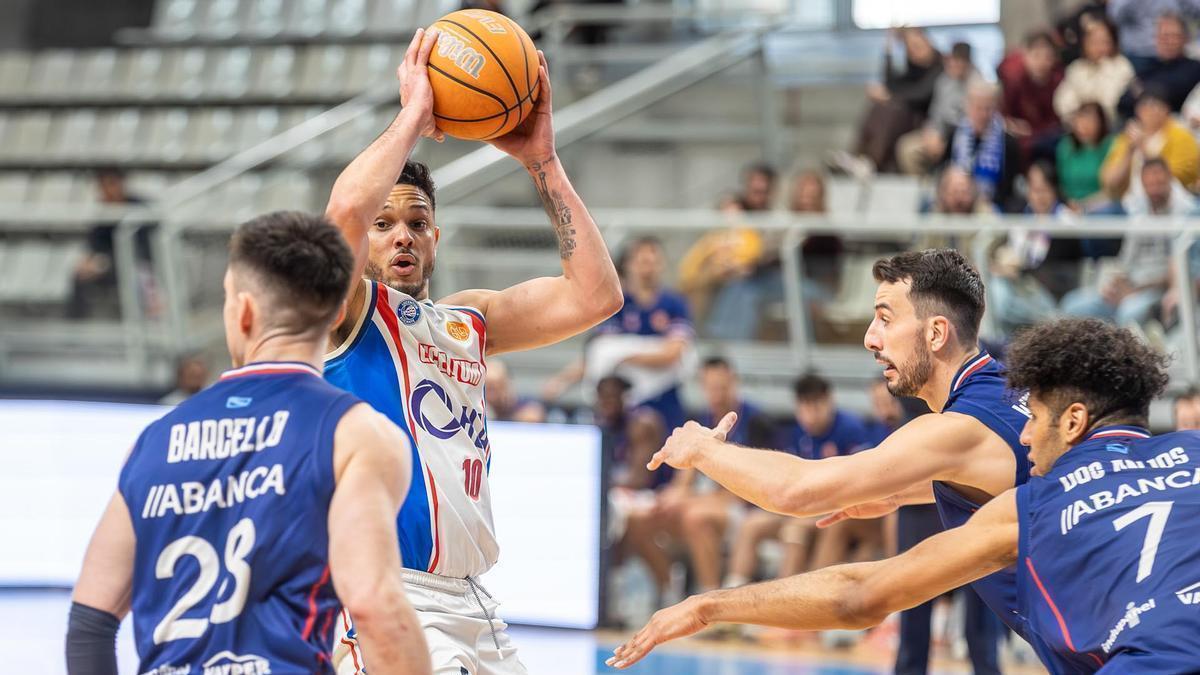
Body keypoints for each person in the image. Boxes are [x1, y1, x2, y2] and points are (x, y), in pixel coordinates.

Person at [610, 318, 1200, 675]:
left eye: (1036, 417)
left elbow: (858, 595)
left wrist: (710, 605)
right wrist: (909, 493)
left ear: (1073, 422)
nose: (1024, 435)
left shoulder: (1032, 505)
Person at [321, 30, 622, 674]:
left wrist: (543, 162)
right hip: (388, 591)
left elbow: (596, 296)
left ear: (436, 237)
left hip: (473, 604)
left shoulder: (469, 320)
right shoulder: (346, 313)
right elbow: (344, 207)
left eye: (417, 223)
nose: (402, 236)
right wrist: (414, 115)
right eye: (384, 224)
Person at [66, 212, 431, 675]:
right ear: (338, 313)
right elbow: (375, 605)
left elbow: (90, 623)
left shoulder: (154, 442)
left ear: (242, 311)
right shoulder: (357, 434)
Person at [626, 250, 1031, 662]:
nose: (871, 338)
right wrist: (902, 493)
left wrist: (703, 450)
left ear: (936, 333)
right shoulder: (1012, 395)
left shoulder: (960, 427)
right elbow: (1008, 477)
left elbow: (795, 492)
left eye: (885, 319)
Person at [723, 374, 875, 590]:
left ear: (829, 402)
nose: (810, 416)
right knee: (751, 524)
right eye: (804, 408)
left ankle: (790, 598)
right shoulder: (798, 433)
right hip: (801, 508)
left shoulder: (850, 430)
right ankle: (731, 594)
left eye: (816, 407)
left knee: (795, 531)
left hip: (834, 510)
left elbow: (861, 482)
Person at [1064, 159, 1189, 326]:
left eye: (1159, 184)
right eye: (1150, 185)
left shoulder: (1185, 213)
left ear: (1169, 180)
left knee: (1129, 311)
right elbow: (1126, 260)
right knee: (1072, 305)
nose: (1155, 190)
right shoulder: (1138, 213)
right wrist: (1116, 285)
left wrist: (1134, 291)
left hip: (1156, 291)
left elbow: (1177, 274)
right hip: (1130, 287)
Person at [832, 27, 943, 175]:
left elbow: (922, 94)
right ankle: (859, 157)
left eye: (918, 46)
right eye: (910, 48)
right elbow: (892, 84)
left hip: (926, 122)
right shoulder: (914, 69)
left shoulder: (940, 66)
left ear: (928, 41)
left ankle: (872, 162)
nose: (915, 52)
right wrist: (888, 51)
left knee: (893, 107)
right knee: (879, 106)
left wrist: (890, 97)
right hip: (908, 118)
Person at [897, 42, 984, 177]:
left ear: (967, 63)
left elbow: (973, 122)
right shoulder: (944, 81)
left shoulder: (978, 86)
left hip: (963, 137)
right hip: (939, 133)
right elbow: (935, 114)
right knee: (906, 147)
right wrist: (931, 134)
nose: (953, 65)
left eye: (959, 61)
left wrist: (944, 140)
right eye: (952, 61)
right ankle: (926, 186)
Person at [1104, 85, 1200, 200]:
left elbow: (1178, 179)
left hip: (1174, 201)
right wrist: (1129, 152)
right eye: (1144, 105)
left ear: (1167, 109)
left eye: (1155, 105)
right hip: (1131, 201)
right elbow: (1110, 181)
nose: (1149, 111)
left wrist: (1143, 148)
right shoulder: (1127, 138)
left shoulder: (1182, 136)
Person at [947, 80, 1023, 210]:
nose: (983, 114)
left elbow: (1010, 188)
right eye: (978, 108)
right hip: (957, 206)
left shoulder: (1008, 143)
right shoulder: (954, 136)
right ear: (968, 107)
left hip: (993, 206)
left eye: (988, 108)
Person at [998, 31, 1064, 165]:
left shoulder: (1060, 81)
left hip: (1052, 137)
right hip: (1023, 139)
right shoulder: (1015, 81)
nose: (1041, 62)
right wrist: (1012, 125)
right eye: (1036, 56)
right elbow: (1002, 115)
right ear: (1025, 56)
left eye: (1047, 56)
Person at [1116, 12, 1200, 117]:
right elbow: (1123, 103)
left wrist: (1141, 92)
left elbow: (1171, 93)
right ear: (1156, 39)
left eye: (1174, 36)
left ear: (1185, 39)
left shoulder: (1194, 68)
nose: (1168, 41)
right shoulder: (1148, 69)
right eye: (1164, 36)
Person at [1053, 19, 1134, 125]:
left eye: (1104, 42)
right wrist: (1082, 117)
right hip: (1079, 126)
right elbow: (1063, 102)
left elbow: (1111, 102)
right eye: (1093, 42)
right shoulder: (1076, 68)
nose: (1098, 47)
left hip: (1113, 125)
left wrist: (1105, 66)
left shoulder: (1122, 65)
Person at [484, 359, 546, 423]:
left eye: (496, 387)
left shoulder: (526, 404)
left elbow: (533, 416)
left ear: (507, 384)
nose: (492, 395)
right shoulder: (482, 409)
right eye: (487, 388)